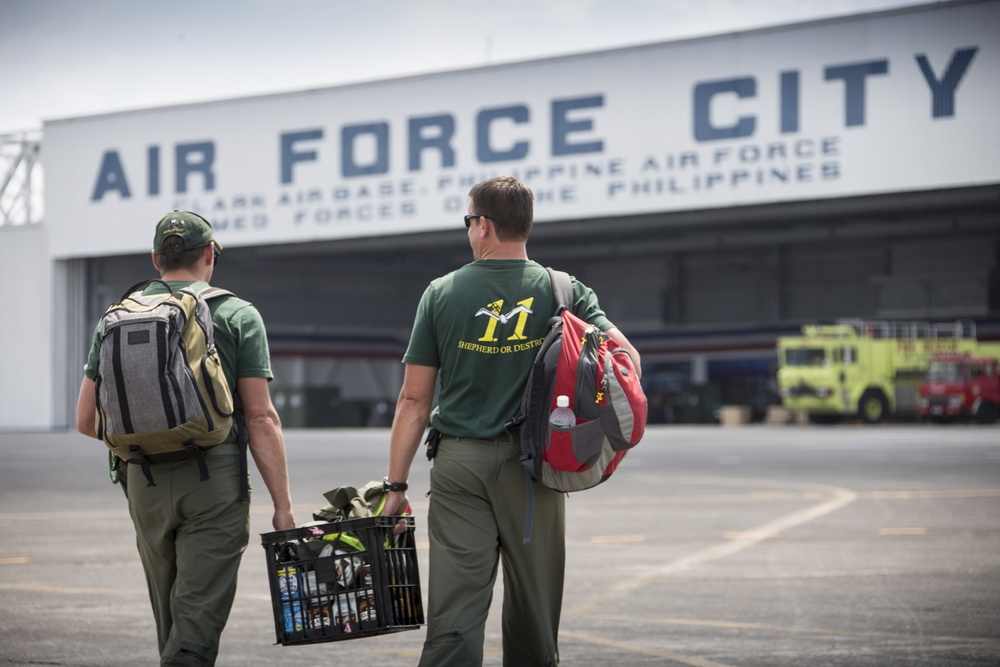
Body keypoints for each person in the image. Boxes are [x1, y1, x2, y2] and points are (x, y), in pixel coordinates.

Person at [382, 176, 642, 666]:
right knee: (534, 611)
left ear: (482, 226)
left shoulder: (441, 293)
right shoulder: (564, 290)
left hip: (459, 464)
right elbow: (627, 361)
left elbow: (413, 401)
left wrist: (396, 484)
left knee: (455, 608)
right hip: (537, 467)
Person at [75, 210, 295, 666]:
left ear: (156, 258)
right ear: (211, 254)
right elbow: (261, 418)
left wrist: (148, 436)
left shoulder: (115, 318)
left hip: (142, 481)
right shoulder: (237, 314)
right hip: (213, 480)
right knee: (195, 624)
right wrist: (283, 506)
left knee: (170, 623)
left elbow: (84, 419)